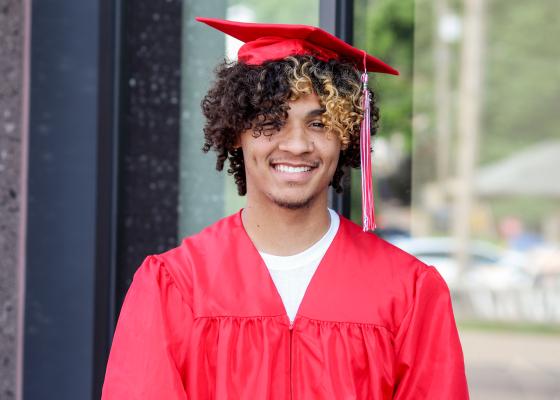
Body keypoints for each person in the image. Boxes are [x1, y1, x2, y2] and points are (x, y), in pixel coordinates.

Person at [102, 17, 469, 399]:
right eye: (271, 121)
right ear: (235, 132)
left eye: (319, 123)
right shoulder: (174, 286)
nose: (296, 144)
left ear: (346, 137)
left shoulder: (408, 292)